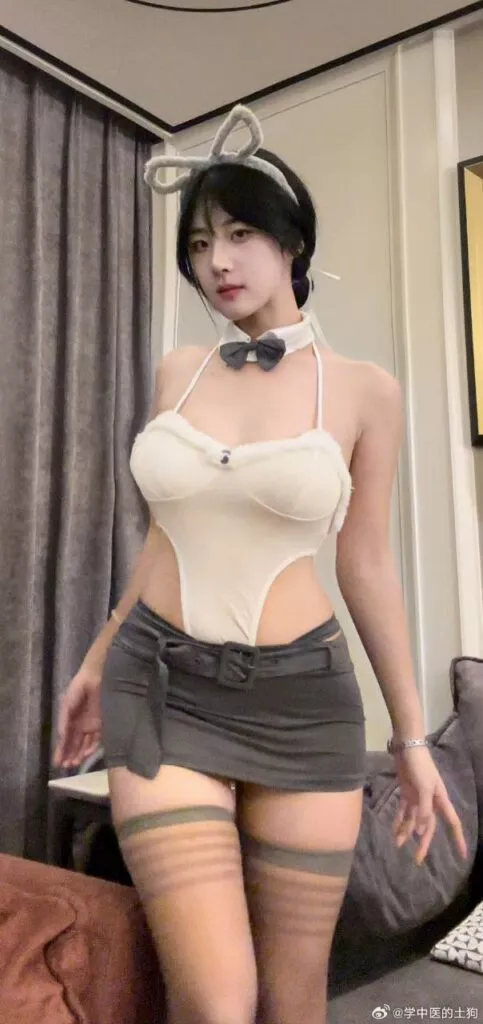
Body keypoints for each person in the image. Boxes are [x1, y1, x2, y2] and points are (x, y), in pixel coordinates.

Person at [54, 104, 467, 1024]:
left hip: (301, 706)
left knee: (291, 999)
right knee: (216, 1001)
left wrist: (410, 741)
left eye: (240, 234)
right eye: (200, 244)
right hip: (160, 687)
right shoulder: (179, 373)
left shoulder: (363, 391)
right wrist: (94, 658)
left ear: (291, 244)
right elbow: (163, 536)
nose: (218, 262)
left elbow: (366, 564)